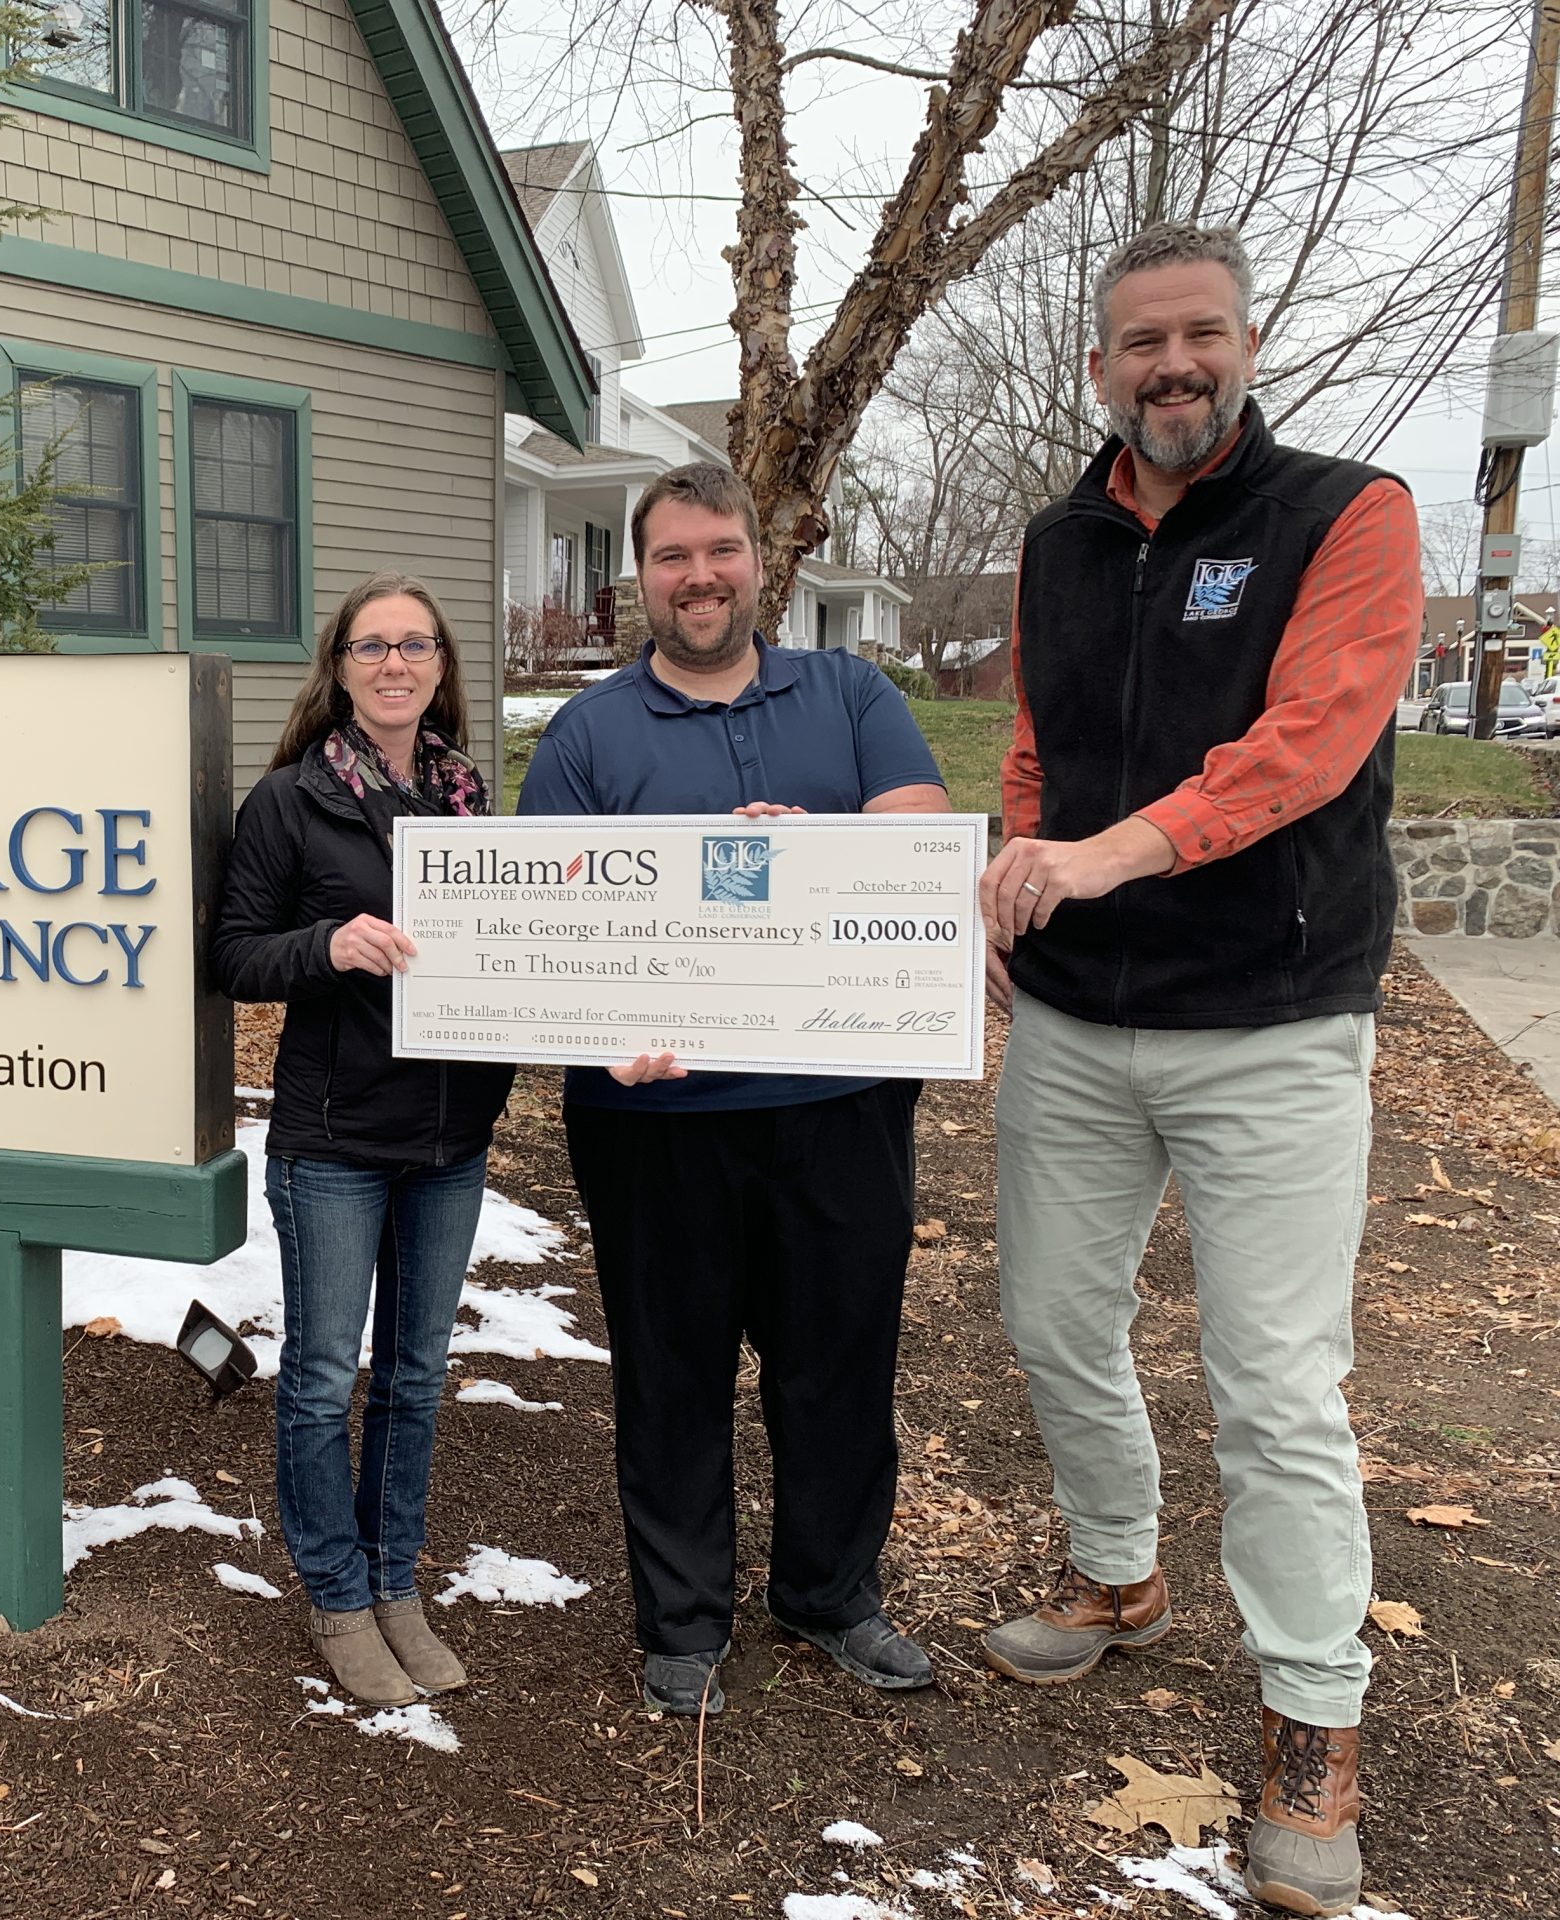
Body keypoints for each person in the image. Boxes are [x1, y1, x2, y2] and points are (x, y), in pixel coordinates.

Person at [977, 223, 1420, 1920]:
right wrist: (1020, 867)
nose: (1174, 367)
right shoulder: (1056, 540)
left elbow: (1308, 745)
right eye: (1141, 344)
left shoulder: (1347, 515)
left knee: (1275, 1383)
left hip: (1277, 1023)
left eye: (1202, 337)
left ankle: (1315, 1717)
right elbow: (1034, 745)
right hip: (1081, 1025)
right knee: (1051, 1323)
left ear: (1247, 343)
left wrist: (1108, 856)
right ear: (1100, 367)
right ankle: (1117, 1577)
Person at [516, 462, 950, 1719]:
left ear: (762, 562)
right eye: (670, 557)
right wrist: (598, 1030)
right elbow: (547, 931)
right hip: (655, 1116)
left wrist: (817, 851)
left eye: (719, 551)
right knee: (670, 1368)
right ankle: (683, 1617)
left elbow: (920, 847)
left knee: (839, 1363)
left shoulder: (851, 691)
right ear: (638, 575)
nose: (697, 576)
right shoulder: (588, 734)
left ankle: (828, 1593)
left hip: (838, 1099)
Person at [211, 573, 515, 1707]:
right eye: (373, 645)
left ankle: (396, 1582)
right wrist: (326, 945)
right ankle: (335, 1595)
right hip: (333, 1137)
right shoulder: (288, 802)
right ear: (339, 666)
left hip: (452, 1135)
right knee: (323, 1375)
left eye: (417, 646)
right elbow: (234, 956)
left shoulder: (472, 801)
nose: (396, 663)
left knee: (417, 1377)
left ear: (441, 670)